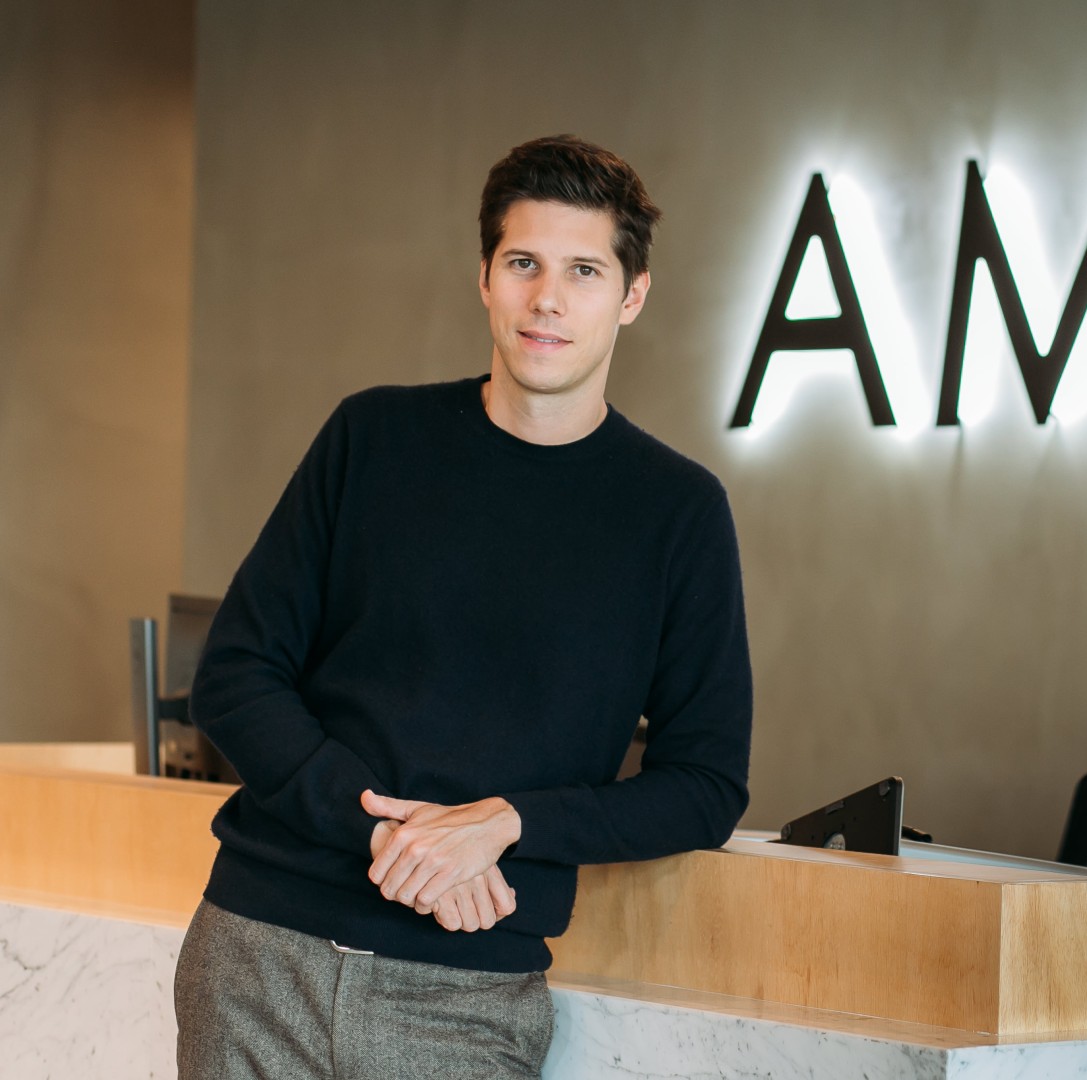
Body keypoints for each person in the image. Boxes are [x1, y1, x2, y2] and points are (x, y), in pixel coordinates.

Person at [172, 134, 753, 1079]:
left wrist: (507, 822)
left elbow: (706, 784)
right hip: (257, 956)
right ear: (485, 277)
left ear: (633, 295)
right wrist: (384, 836)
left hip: (465, 997)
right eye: (523, 263)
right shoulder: (372, 437)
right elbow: (234, 675)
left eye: (584, 271)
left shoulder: (677, 513)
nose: (547, 299)